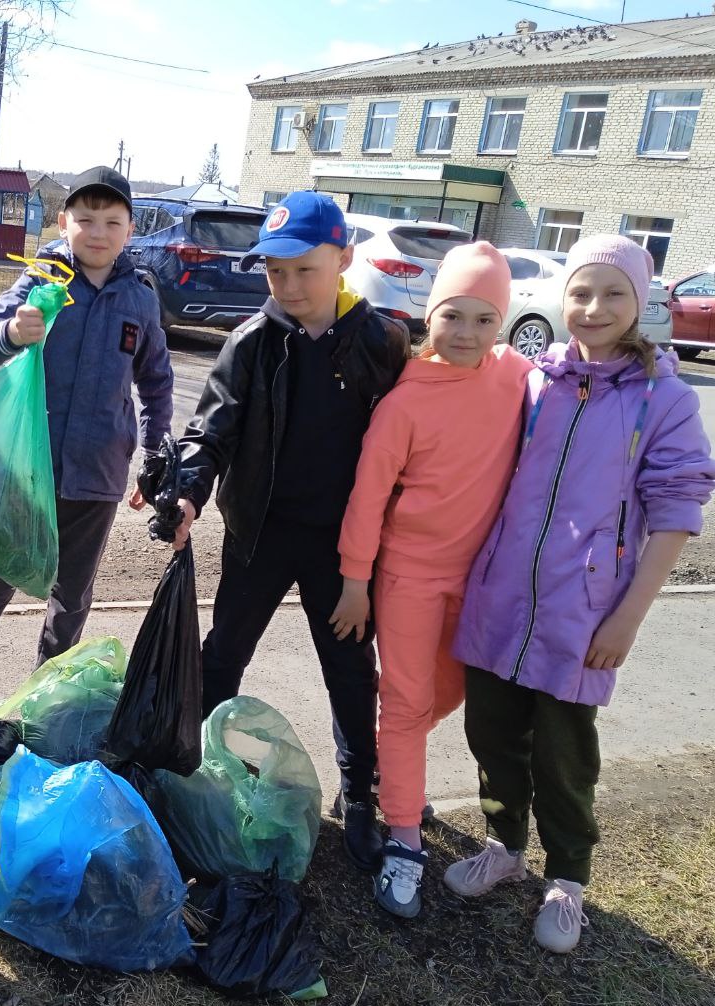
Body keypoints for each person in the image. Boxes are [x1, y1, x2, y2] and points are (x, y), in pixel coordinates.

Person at [444, 234, 714, 952]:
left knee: (564, 754)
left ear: (642, 302)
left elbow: (678, 510)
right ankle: (504, 846)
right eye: (581, 293)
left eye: (613, 293)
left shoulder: (665, 399)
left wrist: (628, 615)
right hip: (502, 594)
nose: (594, 308)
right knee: (491, 733)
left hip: (585, 611)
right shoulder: (536, 382)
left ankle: (568, 878)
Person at [169, 191, 410, 872]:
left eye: (306, 270)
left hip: (344, 548)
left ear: (344, 260)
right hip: (261, 533)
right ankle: (193, 769)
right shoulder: (250, 343)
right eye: (276, 272)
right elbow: (210, 430)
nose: (290, 286)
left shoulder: (380, 343)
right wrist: (187, 494)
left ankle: (359, 794)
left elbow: (411, 447)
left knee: (349, 670)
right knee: (222, 655)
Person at [0, 166, 173, 736]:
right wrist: (14, 334)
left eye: (112, 221)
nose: (97, 232)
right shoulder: (43, 279)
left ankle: (49, 705)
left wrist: (156, 455)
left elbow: (158, 381)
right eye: (85, 219)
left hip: (97, 474)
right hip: (24, 471)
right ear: (63, 222)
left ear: (130, 229)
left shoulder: (139, 298)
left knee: (70, 600)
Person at [332, 242, 531, 917]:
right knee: (409, 704)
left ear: (501, 325)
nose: (467, 333)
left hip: (479, 581)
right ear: (430, 315)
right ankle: (404, 843)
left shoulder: (515, 376)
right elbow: (365, 497)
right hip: (410, 579)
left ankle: (394, 772)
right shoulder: (405, 401)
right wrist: (356, 582)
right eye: (453, 315)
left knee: (447, 695)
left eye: (484, 319)